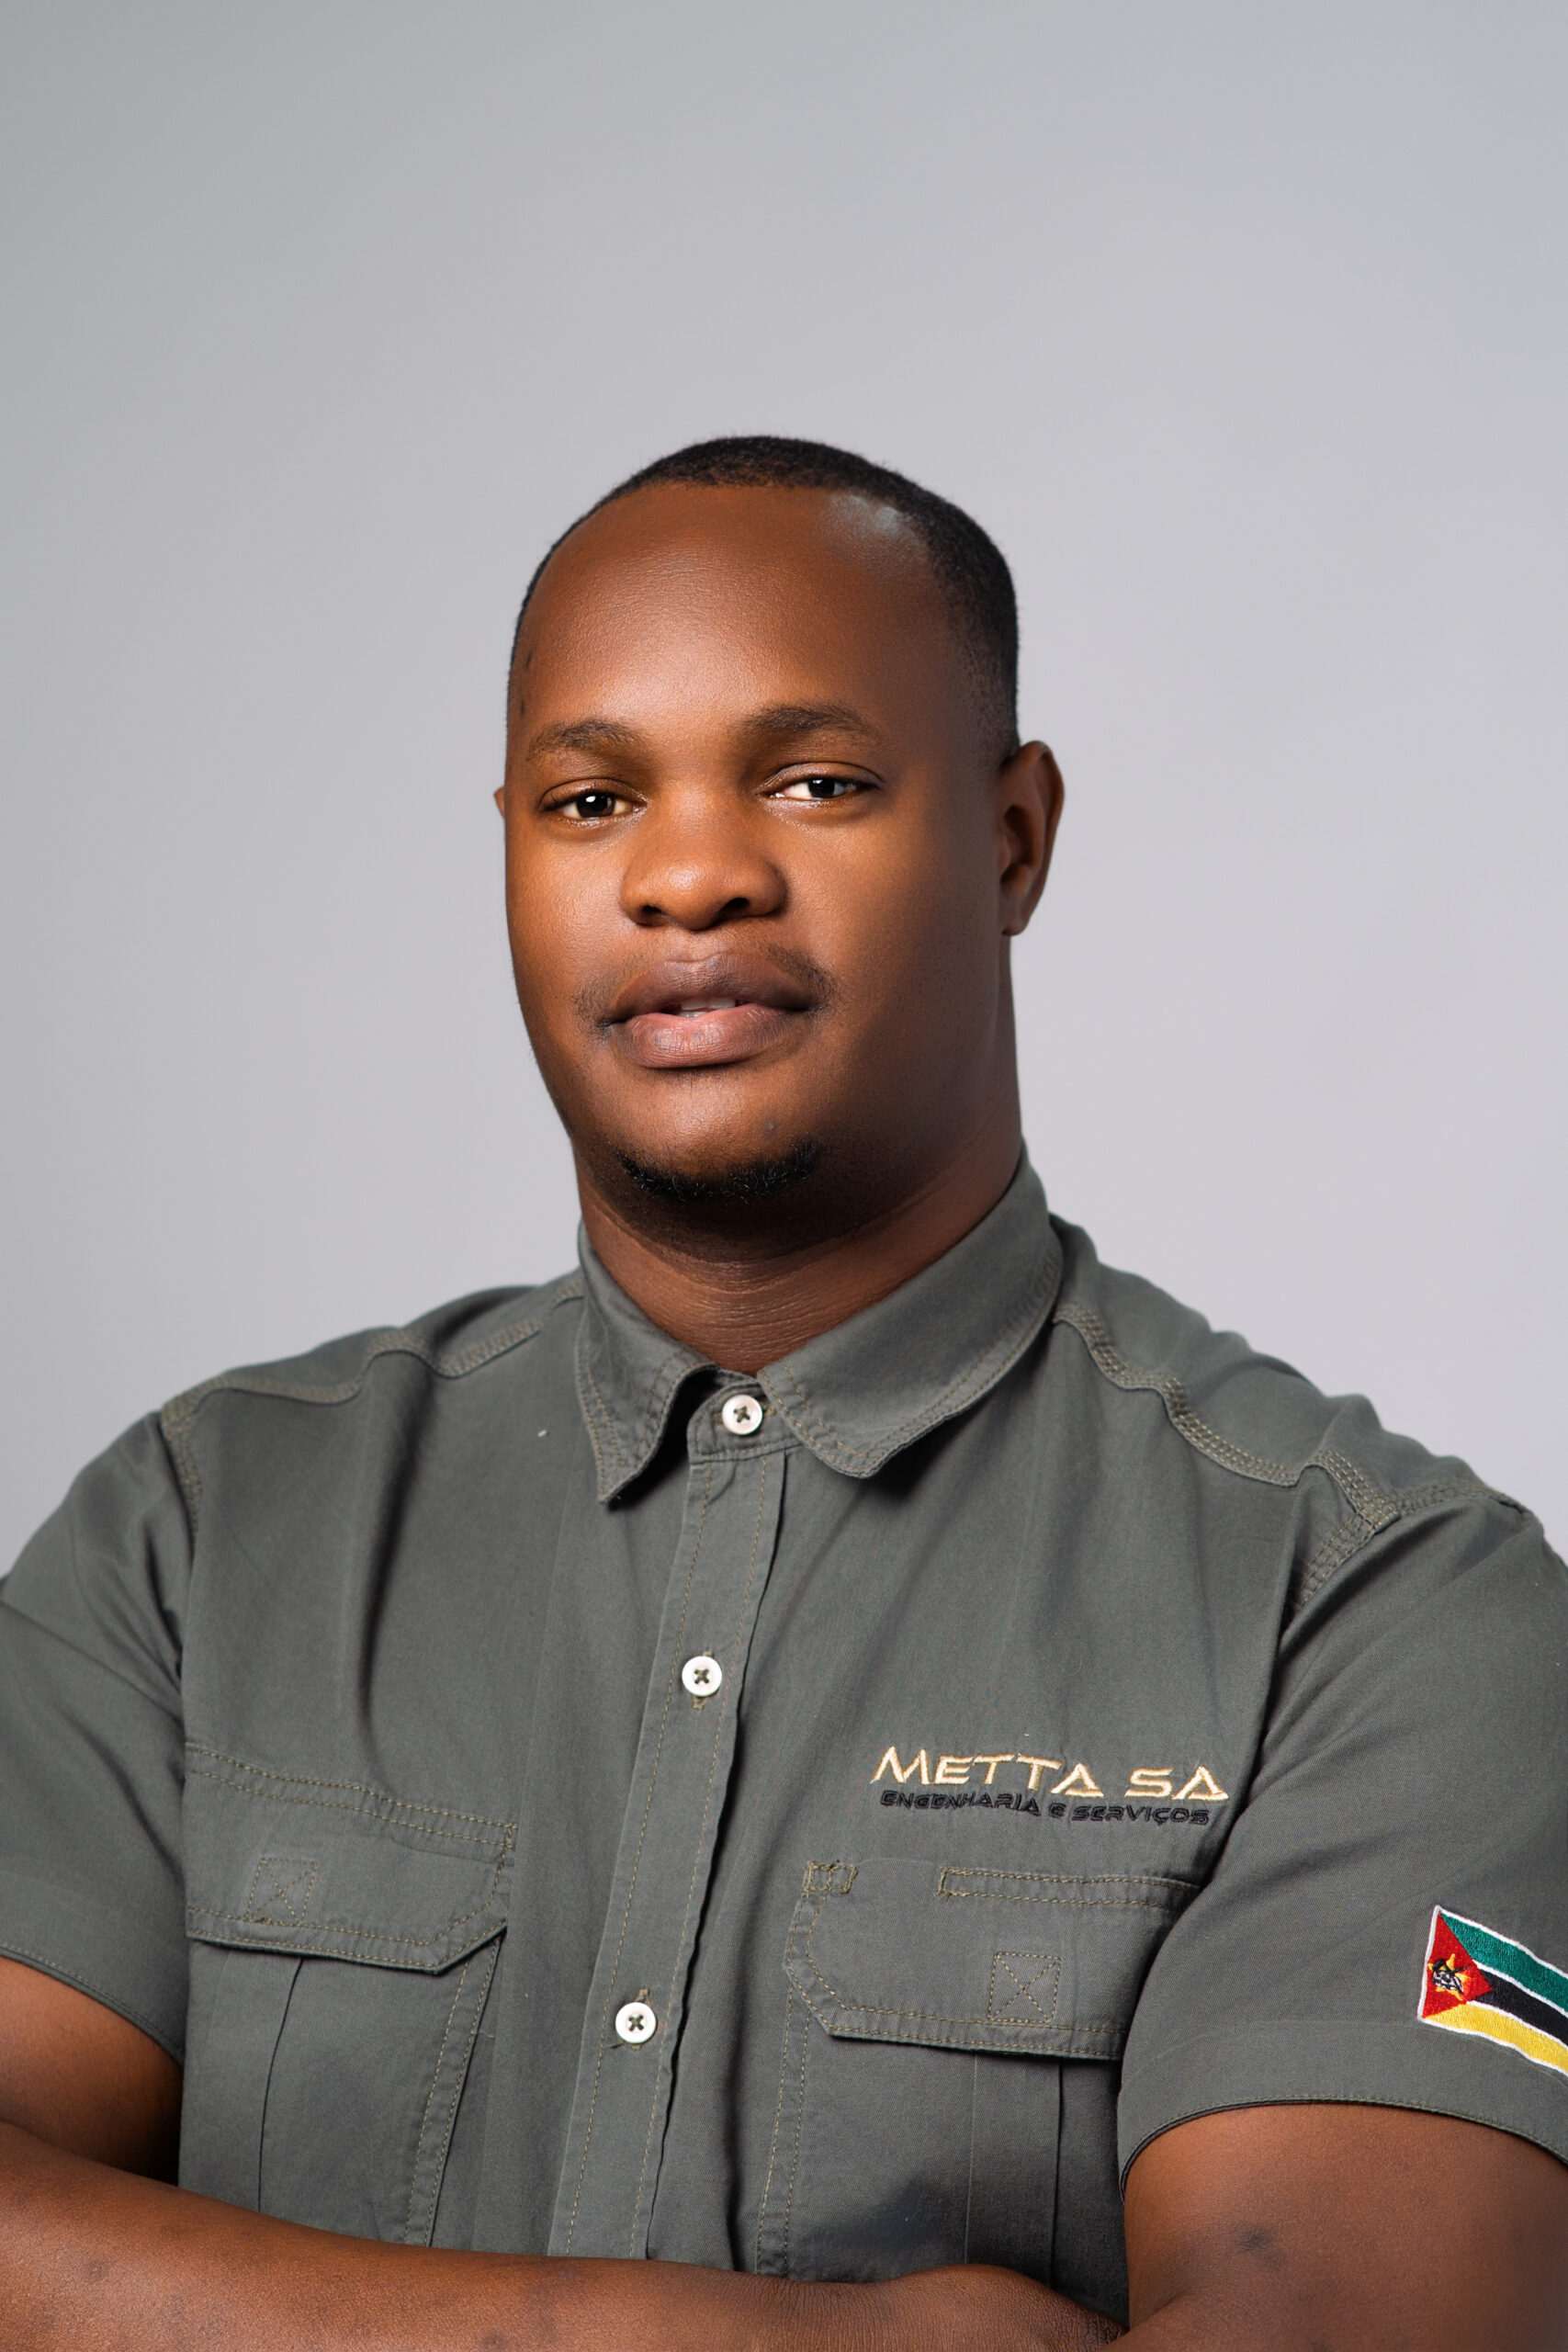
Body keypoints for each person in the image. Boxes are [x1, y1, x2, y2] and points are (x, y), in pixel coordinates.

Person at [1, 436, 1564, 2351]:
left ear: (1011, 838)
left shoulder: (1386, 1612)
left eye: (815, 781)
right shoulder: (199, 1531)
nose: (686, 876)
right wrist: (771, 2340)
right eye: (591, 800)